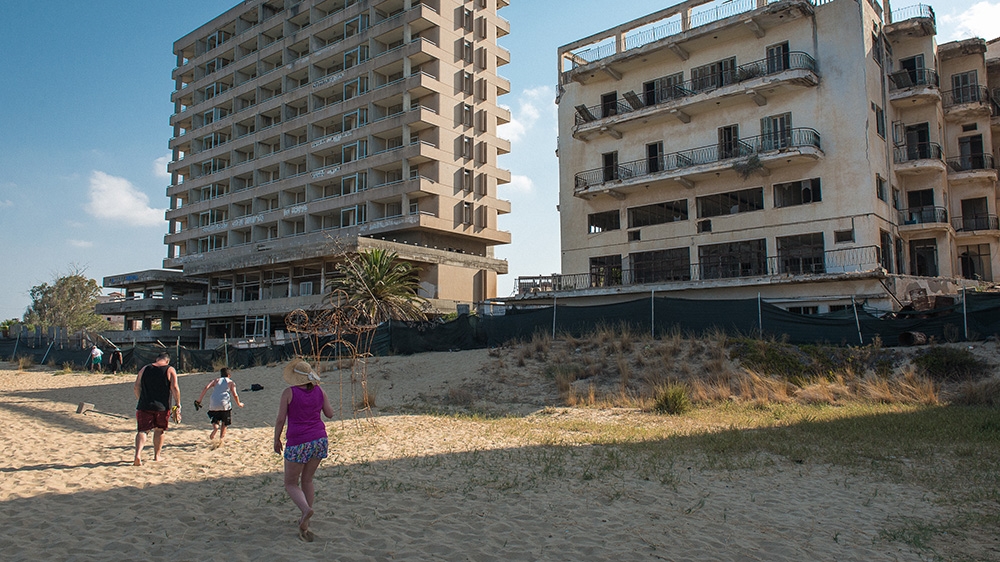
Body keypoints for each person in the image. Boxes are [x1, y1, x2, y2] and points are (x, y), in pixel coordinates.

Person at [273, 359, 333, 542]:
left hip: (298, 442)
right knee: (307, 479)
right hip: (319, 439)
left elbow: (280, 419)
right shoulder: (320, 391)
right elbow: (329, 414)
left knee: (291, 483)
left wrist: (276, 439)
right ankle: (305, 521)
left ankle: (305, 510)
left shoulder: (289, 393)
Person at [133, 352, 181, 466]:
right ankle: (157, 456)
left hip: (144, 405)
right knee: (159, 430)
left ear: (157, 359)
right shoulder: (170, 370)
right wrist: (178, 403)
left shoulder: (144, 368)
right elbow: (174, 387)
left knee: (143, 430)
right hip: (162, 406)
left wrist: (140, 399)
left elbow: (136, 386)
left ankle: (138, 455)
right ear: (167, 361)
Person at [194, 367, 244, 447]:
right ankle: (221, 440)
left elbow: (206, 387)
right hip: (225, 404)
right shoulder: (231, 382)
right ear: (229, 375)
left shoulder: (216, 380)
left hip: (214, 402)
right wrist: (239, 403)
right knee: (225, 423)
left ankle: (215, 428)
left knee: (215, 418)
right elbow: (235, 394)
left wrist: (199, 400)